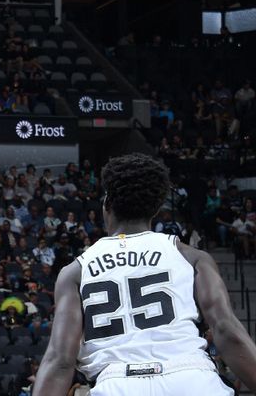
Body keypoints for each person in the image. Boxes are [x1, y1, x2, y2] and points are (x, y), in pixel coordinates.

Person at [33, 153, 256, 396]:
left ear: (106, 203)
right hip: (192, 379)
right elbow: (226, 331)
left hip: (116, 383)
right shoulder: (192, 257)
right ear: (157, 207)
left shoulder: (75, 271)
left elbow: (60, 360)